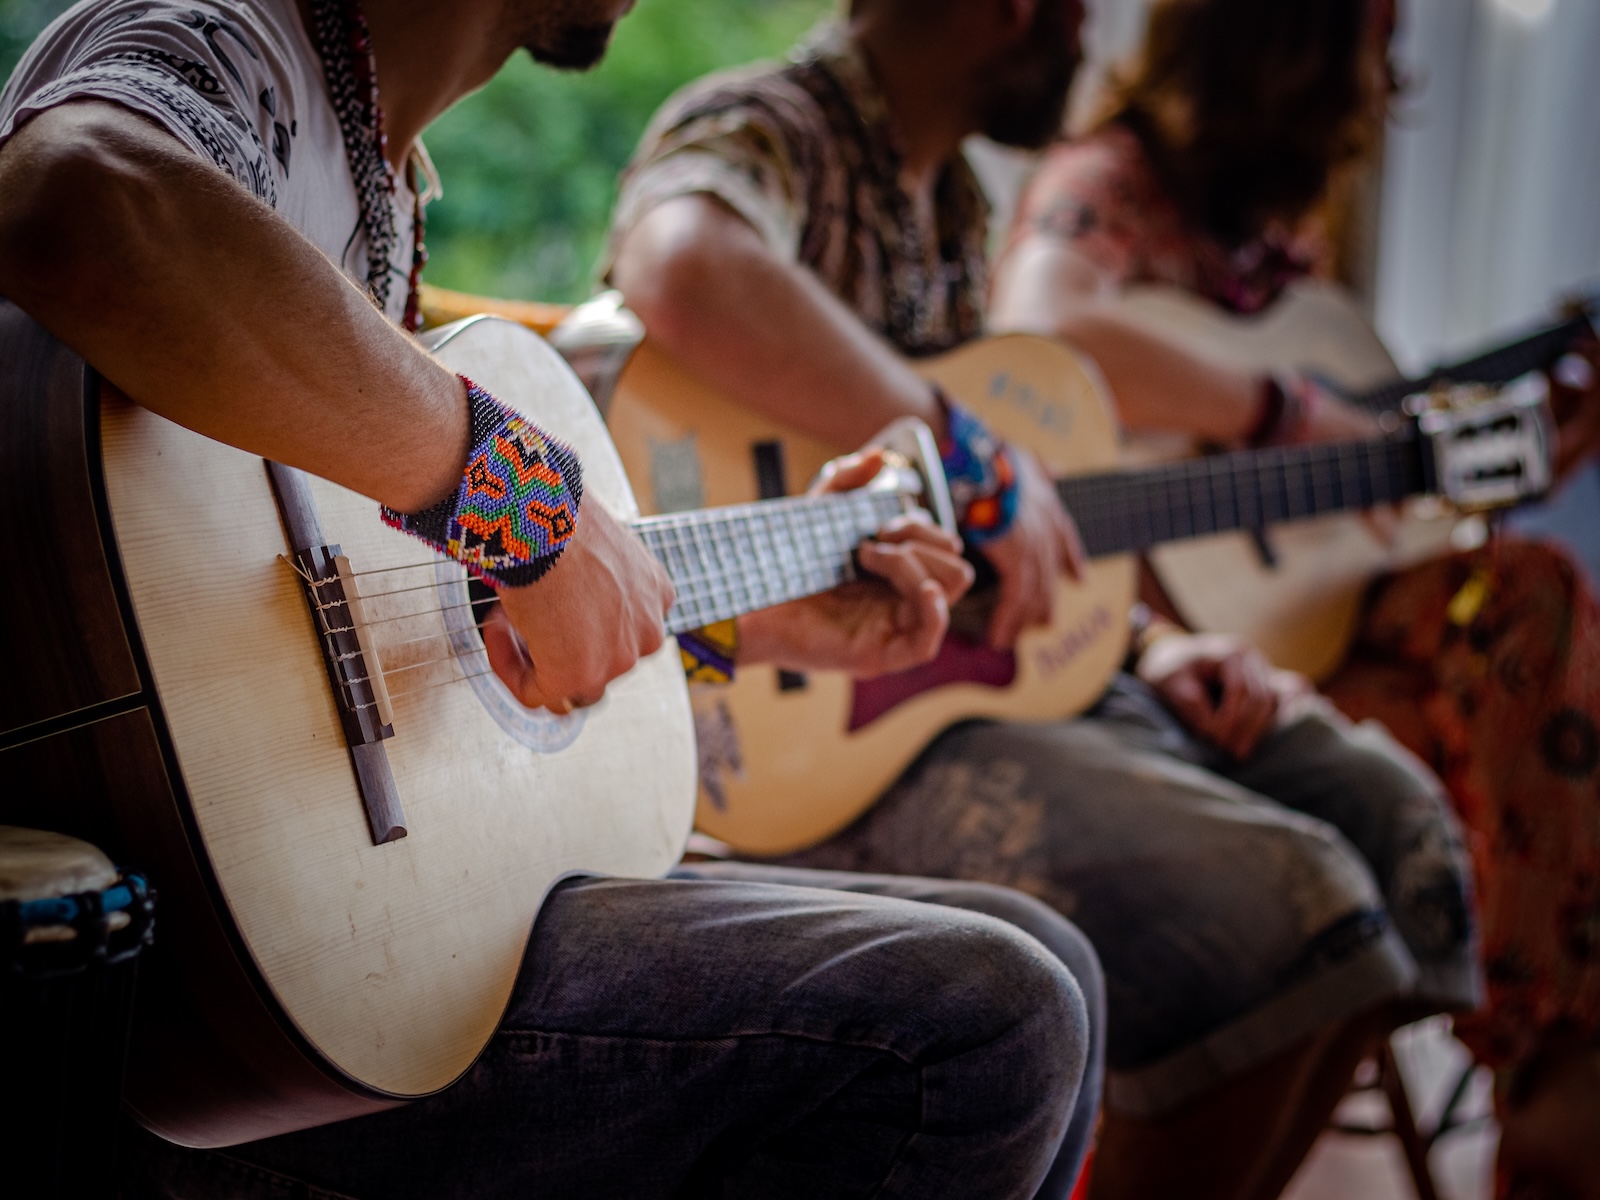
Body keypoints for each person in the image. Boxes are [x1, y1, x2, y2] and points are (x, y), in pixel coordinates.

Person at [0, 0, 1110, 1195]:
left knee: (1052, 966)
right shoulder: (234, 38)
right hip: (171, 1007)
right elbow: (75, 199)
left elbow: (368, 612)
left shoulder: (375, 165)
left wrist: (731, 612)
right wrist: (531, 510)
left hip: (295, 956)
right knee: (987, 1020)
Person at [604, 0, 1481, 1197]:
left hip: (970, 686)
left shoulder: (955, 203)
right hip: (804, 721)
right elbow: (680, 263)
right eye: (1074, 14)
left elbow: (1002, 530)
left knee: (1395, 822)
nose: (1090, 48)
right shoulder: (774, 123)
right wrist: (958, 446)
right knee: (1296, 903)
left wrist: (1145, 644)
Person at [989, 0, 1600, 1194]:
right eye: (1370, 45)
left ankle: (1557, 1039)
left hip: (1297, 629)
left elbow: (1340, 511)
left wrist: (1516, 456)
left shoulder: (1274, 239)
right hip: (1128, 628)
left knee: (1526, 595)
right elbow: (1036, 334)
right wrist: (1264, 410)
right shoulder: (1106, 182)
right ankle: (1559, 1063)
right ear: (1280, 50)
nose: (1393, 81)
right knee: (1496, 665)